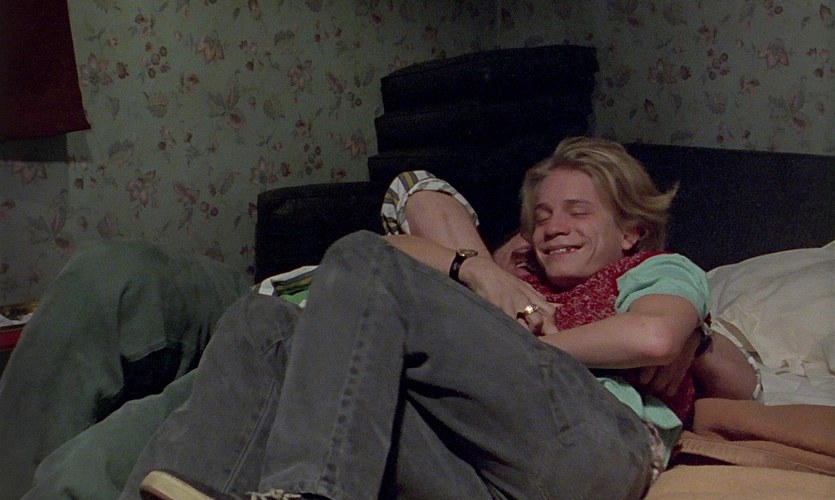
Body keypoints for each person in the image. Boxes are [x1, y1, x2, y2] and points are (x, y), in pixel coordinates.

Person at [127, 137, 756, 499]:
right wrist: (477, 272)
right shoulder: (518, 284)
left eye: (578, 211)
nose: (553, 226)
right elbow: (381, 250)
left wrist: (534, 337)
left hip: (597, 443)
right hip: (480, 471)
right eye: (541, 216)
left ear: (631, 230)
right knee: (261, 324)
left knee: (362, 260)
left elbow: (656, 335)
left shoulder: (654, 268)